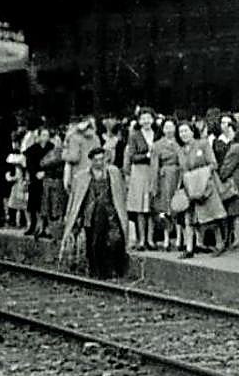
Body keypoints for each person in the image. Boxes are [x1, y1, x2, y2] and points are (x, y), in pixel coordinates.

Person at [62, 146, 129, 279]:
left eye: (102, 159)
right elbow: (75, 200)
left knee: (114, 240)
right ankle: (96, 272)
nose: (100, 162)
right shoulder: (82, 177)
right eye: (96, 160)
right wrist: (72, 218)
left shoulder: (113, 173)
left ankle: (114, 271)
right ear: (91, 161)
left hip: (110, 213)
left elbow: (120, 194)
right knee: (94, 244)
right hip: (91, 214)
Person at [176, 120, 226, 259]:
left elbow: (213, 164)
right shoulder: (180, 150)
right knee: (189, 217)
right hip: (189, 186)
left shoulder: (203, 144)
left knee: (212, 216)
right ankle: (189, 248)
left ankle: (219, 244)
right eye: (181, 132)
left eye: (186, 131)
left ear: (192, 131)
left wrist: (200, 175)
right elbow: (182, 169)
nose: (183, 134)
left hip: (205, 184)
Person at [124, 109, 156, 250]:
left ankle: (151, 239)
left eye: (148, 118)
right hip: (140, 171)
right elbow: (132, 156)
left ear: (153, 119)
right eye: (143, 118)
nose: (146, 121)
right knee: (140, 207)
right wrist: (147, 155)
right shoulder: (134, 135)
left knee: (152, 206)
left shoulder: (157, 134)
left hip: (153, 171)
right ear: (139, 121)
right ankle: (142, 239)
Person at [149, 119, 181, 251]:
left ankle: (180, 238)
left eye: (171, 127)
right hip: (165, 177)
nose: (169, 130)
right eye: (166, 127)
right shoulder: (157, 145)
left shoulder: (179, 142)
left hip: (178, 175)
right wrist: (154, 184)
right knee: (165, 208)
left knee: (179, 207)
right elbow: (154, 165)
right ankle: (166, 238)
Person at [217, 124, 239, 253]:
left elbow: (227, 167)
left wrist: (221, 176)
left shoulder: (235, 148)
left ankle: (237, 242)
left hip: (235, 181)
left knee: (236, 213)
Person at [23, 126, 52, 238]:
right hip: (35, 179)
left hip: (46, 179)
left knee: (44, 204)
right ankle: (32, 226)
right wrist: (35, 173)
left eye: (47, 135)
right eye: (43, 135)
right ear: (39, 136)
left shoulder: (51, 148)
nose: (46, 138)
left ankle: (44, 227)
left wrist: (45, 172)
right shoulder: (32, 149)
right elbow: (29, 163)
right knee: (33, 204)